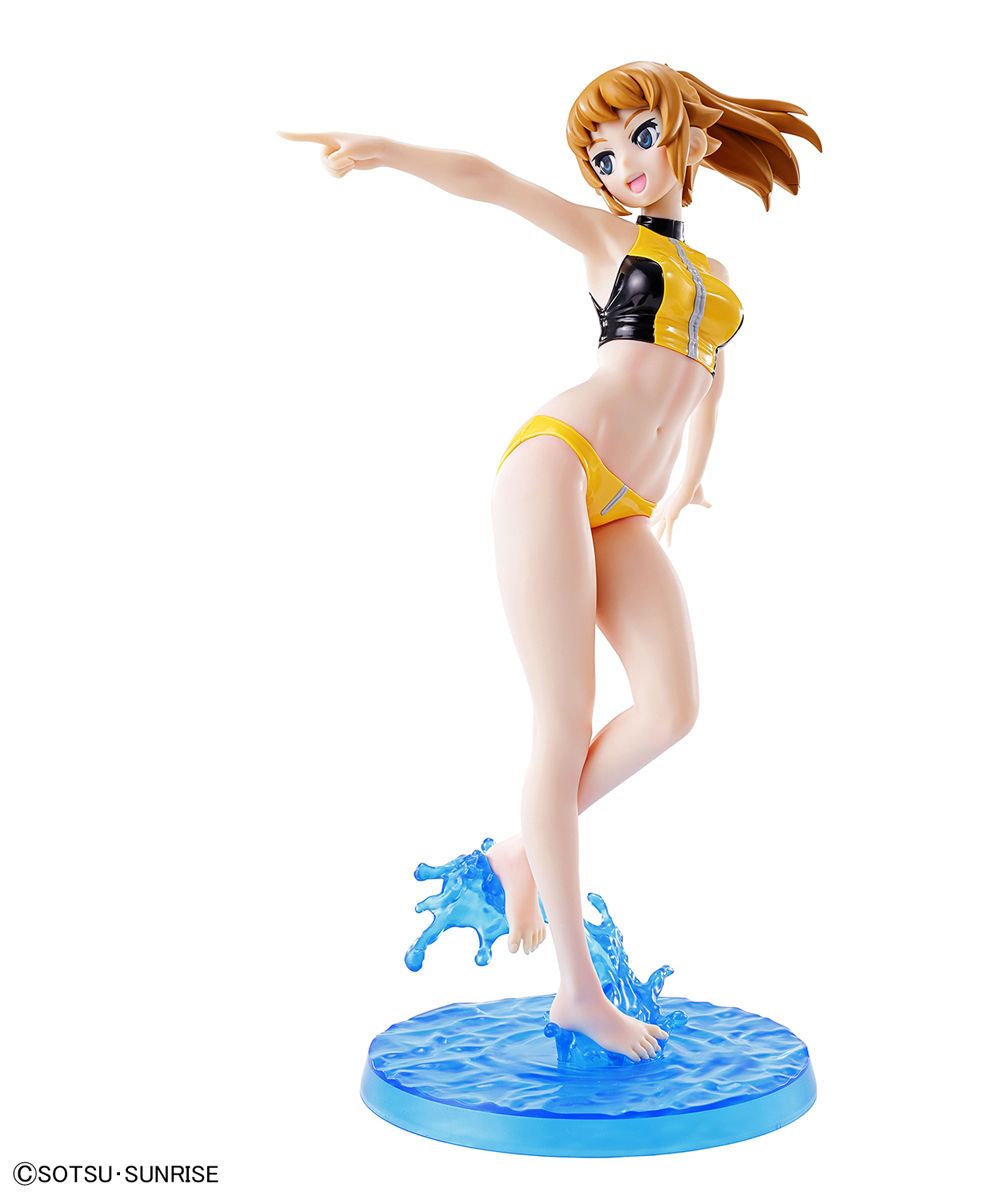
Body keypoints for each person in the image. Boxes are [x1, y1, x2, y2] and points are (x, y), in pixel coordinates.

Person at [280, 60, 820, 1062]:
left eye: (640, 139)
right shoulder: (609, 240)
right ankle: (577, 990)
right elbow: (493, 182)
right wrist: (388, 151)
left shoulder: (716, 280)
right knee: (564, 719)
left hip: (625, 507)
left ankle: (520, 849)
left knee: (672, 710)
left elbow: (707, 385)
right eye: (602, 157)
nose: (623, 168)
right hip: (557, 464)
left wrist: (690, 482)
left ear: (693, 136)